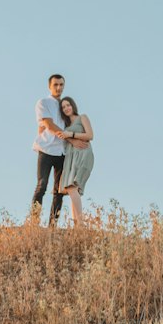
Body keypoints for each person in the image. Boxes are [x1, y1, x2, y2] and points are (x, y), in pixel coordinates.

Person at [31, 74, 68, 225]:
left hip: (62, 152)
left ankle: (53, 225)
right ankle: (34, 222)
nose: (59, 88)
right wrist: (68, 136)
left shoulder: (66, 105)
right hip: (46, 150)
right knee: (42, 185)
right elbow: (48, 124)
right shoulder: (43, 102)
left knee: (59, 191)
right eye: (56, 85)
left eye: (61, 85)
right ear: (49, 86)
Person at [56, 96, 94, 226]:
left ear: (73, 105)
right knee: (72, 189)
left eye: (68, 105)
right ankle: (77, 225)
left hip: (83, 154)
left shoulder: (82, 117)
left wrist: (70, 135)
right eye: (63, 107)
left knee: (73, 188)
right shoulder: (65, 126)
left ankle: (80, 224)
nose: (66, 108)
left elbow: (90, 135)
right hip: (70, 158)